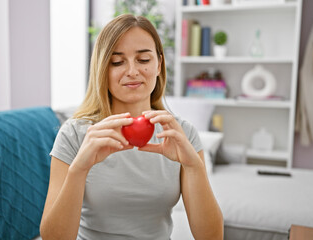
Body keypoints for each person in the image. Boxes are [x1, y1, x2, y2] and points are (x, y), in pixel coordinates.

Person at [39, 14, 223, 240]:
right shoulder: (74, 134)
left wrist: (194, 167)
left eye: (143, 60)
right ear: (102, 69)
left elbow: (211, 237)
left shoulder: (181, 134)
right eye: (117, 62)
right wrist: (79, 170)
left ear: (158, 65)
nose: (132, 71)